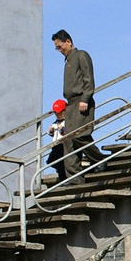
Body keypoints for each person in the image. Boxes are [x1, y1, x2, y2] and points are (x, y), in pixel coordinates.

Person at [51, 30, 102, 178]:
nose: (59, 50)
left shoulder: (81, 55)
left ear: (68, 42)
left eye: (60, 46)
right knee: (68, 139)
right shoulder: (67, 61)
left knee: (80, 135)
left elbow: (88, 79)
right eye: (57, 48)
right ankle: (74, 176)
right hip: (71, 103)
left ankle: (99, 160)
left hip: (81, 101)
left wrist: (85, 98)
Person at [44, 98, 68, 180]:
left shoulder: (67, 122)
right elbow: (51, 133)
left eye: (58, 113)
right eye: (56, 113)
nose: (57, 115)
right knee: (50, 161)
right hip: (55, 144)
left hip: (63, 144)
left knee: (61, 161)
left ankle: (63, 177)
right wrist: (50, 131)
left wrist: (61, 128)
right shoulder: (55, 122)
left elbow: (68, 131)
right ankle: (62, 172)